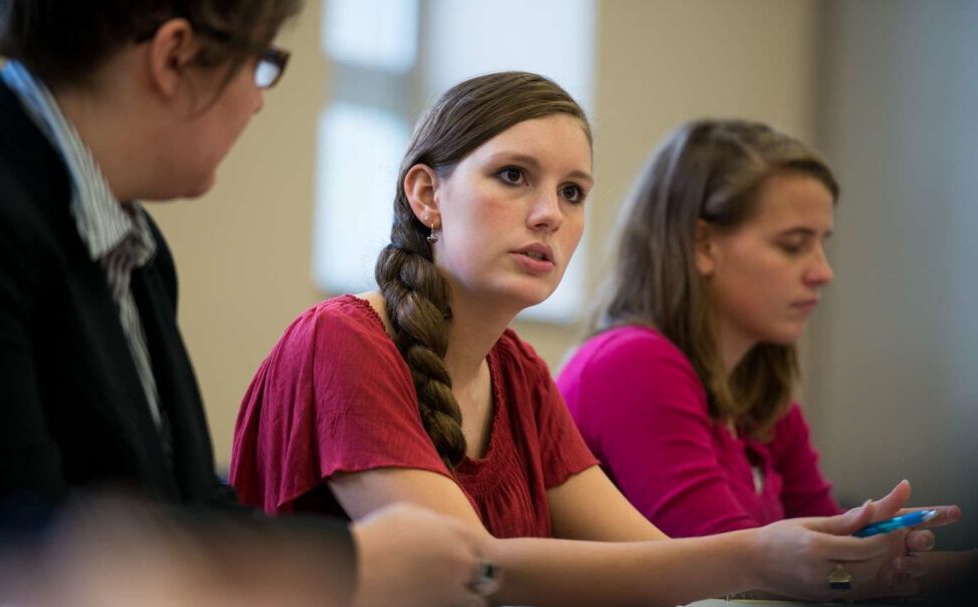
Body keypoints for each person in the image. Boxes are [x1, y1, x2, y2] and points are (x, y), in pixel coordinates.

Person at [231, 73, 952, 605]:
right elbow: (471, 566)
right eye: (514, 176)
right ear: (426, 196)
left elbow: (655, 558)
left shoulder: (520, 373)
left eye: (573, 193)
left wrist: (829, 559)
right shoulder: (343, 340)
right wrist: (765, 556)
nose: (549, 214)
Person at [0, 2, 494, 606]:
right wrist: (351, 562)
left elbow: (184, 499)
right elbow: (7, 538)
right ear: (175, 55)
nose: (259, 100)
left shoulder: (137, 245)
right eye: (261, 64)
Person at [557, 118, 969, 593]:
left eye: (821, 244)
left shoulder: (757, 389)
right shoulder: (630, 365)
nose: (823, 272)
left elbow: (828, 547)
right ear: (703, 245)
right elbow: (742, 571)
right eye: (794, 245)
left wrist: (880, 551)